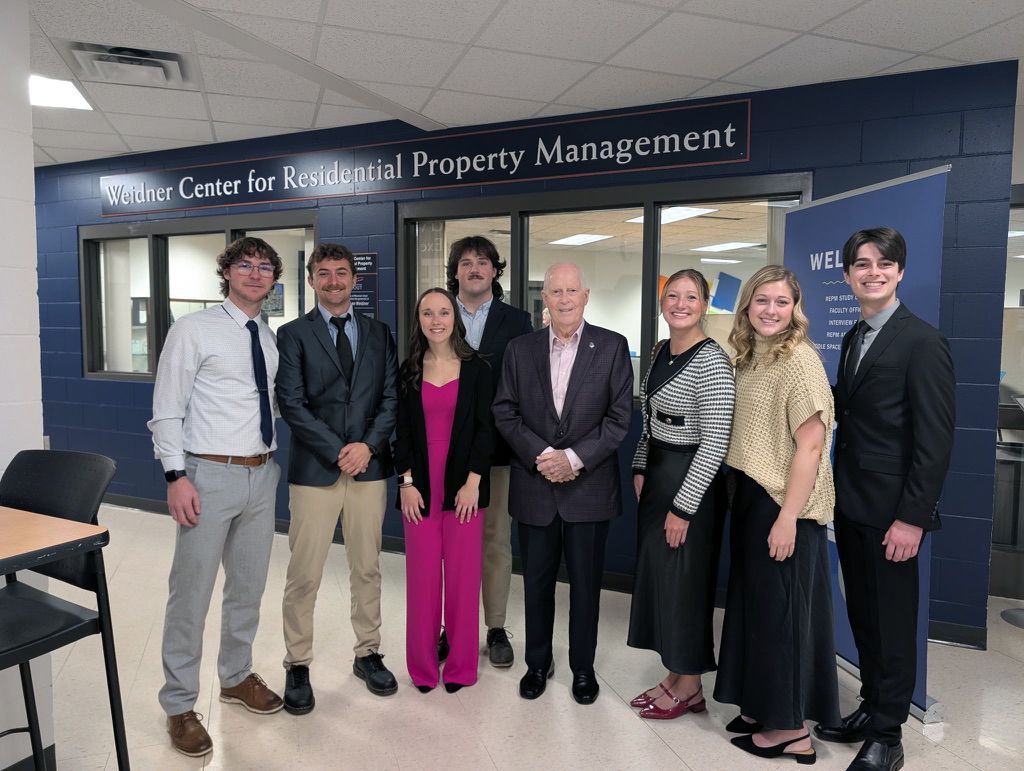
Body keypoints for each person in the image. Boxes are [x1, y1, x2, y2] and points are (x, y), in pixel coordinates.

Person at [814, 228, 955, 771]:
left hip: (894, 515)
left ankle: (889, 736)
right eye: (861, 264)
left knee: (893, 623)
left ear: (899, 272)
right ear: (847, 274)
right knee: (864, 617)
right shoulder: (855, 336)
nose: (871, 272)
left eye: (883, 264)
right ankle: (872, 708)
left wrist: (912, 520)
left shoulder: (922, 342)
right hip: (851, 507)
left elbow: (935, 441)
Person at [150, 236, 285, 757]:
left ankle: (234, 677)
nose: (255, 273)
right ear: (227, 272)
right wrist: (175, 475)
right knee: (191, 593)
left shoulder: (267, 338)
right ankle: (179, 704)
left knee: (246, 588)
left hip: (261, 473)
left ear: (274, 278)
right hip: (207, 475)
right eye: (245, 265)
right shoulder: (192, 330)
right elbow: (167, 407)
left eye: (265, 267)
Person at [713, 265, 840, 765]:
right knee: (756, 611)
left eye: (781, 302)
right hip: (750, 495)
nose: (770, 310)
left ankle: (792, 729)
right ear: (747, 306)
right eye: (761, 300)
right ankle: (760, 706)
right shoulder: (750, 356)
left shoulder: (800, 362)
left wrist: (787, 517)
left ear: (795, 308)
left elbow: (810, 448)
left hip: (786, 502)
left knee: (783, 617)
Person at [493, 262, 633, 705]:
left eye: (573, 290)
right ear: (545, 299)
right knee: (535, 583)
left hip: (588, 490)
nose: (565, 298)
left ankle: (583, 669)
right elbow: (505, 411)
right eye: (557, 291)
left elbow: (619, 419)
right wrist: (544, 458)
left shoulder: (612, 347)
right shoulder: (520, 349)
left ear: (586, 295)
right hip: (535, 488)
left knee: (587, 587)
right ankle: (537, 663)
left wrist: (573, 459)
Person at [275, 242, 399, 712]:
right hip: (315, 471)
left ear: (355, 279)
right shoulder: (292, 335)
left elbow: (390, 398)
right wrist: (337, 450)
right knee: (303, 574)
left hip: (369, 469)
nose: (333, 280)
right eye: (323, 273)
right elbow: (292, 403)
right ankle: (298, 663)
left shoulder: (378, 332)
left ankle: (367, 653)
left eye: (341, 272)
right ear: (311, 280)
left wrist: (366, 446)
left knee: (367, 567)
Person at [626, 269, 734, 720]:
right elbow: (650, 419)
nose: (681, 304)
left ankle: (689, 684)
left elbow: (715, 441)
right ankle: (674, 672)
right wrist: (638, 465)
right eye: (673, 296)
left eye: (691, 297)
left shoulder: (712, 361)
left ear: (705, 304)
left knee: (687, 584)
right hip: (658, 477)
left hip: (692, 487)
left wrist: (683, 508)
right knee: (664, 582)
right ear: (662, 302)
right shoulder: (659, 352)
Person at [393, 288, 495, 692]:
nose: (436, 320)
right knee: (421, 582)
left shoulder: (478, 369)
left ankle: (459, 668)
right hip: (418, 488)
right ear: (418, 320)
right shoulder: (409, 370)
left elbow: (487, 430)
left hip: (464, 488)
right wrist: (405, 482)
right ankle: (421, 669)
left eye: (444, 312)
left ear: (455, 317)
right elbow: (399, 433)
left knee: (463, 581)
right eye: (427, 313)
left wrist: (474, 481)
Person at [444, 235, 532, 668]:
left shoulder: (518, 321)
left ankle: (495, 626)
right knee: (451, 544)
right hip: (444, 450)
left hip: (497, 451)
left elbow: (526, 388)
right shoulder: (437, 313)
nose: (474, 269)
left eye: (482, 262)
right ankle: (450, 625)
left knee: (495, 541)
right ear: (455, 271)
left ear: (496, 271)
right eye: (465, 263)